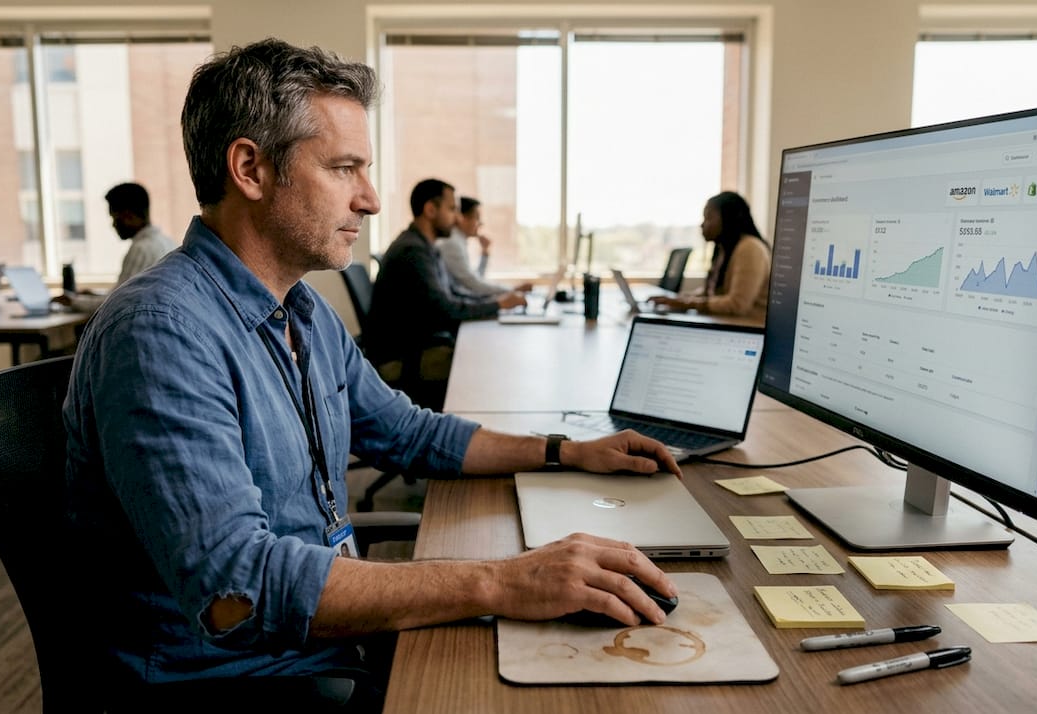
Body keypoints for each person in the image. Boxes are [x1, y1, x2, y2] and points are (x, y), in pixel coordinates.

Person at [63, 38, 681, 710]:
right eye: (344, 168)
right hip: (242, 685)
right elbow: (237, 591)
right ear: (250, 169)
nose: (371, 199)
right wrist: (504, 581)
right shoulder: (161, 332)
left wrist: (567, 452)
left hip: (329, 644)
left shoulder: (302, 312)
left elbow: (408, 432)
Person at [367, 180, 526, 403]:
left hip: (419, 346)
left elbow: (454, 294)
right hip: (405, 358)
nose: (458, 218)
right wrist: (498, 304)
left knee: (487, 351)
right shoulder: (413, 252)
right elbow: (445, 310)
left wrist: (497, 301)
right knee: (487, 360)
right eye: (452, 209)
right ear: (430, 210)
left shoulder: (426, 247)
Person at [56, 182, 177, 311]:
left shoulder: (141, 249)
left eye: (115, 218)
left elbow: (117, 304)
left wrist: (73, 301)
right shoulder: (167, 242)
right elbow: (124, 294)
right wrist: (95, 295)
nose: (113, 225)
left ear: (128, 216)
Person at [648, 191, 771, 318]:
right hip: (730, 322)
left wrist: (688, 304)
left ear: (728, 218)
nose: (702, 224)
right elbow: (712, 293)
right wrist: (680, 299)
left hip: (748, 324)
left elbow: (737, 304)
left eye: (708, 218)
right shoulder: (724, 248)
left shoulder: (750, 248)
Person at [437, 196, 531, 298]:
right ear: (462, 218)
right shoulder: (452, 244)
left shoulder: (459, 242)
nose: (481, 223)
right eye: (477, 217)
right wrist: (513, 290)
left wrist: (484, 251)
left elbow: (476, 279)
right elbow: (474, 285)